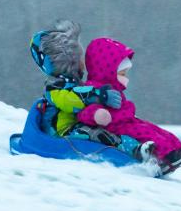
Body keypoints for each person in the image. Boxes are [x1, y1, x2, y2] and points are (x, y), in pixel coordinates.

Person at [30, 20, 151, 161]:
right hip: (62, 132)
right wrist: (97, 95)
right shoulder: (55, 88)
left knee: (106, 129)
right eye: (79, 58)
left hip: (76, 125)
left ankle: (139, 148)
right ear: (68, 62)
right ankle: (132, 152)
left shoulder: (75, 82)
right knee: (94, 134)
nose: (83, 62)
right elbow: (71, 100)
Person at [76, 37, 181, 174]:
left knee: (156, 130)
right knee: (148, 134)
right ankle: (167, 159)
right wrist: (96, 114)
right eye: (122, 73)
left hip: (128, 121)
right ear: (107, 71)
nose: (126, 77)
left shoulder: (113, 88)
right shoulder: (94, 91)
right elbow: (83, 111)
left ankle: (178, 149)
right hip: (116, 128)